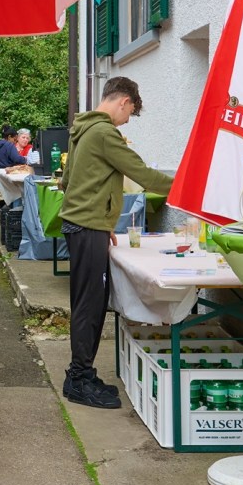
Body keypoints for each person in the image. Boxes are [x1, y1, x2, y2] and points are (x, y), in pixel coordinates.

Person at [59, 77, 173, 409]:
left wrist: (101, 217)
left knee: (87, 303)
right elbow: (143, 175)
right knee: (90, 307)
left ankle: (81, 374)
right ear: (123, 101)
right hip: (87, 228)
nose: (128, 120)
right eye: (131, 113)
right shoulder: (104, 133)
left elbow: (69, 181)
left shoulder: (81, 130)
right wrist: (191, 185)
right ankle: (78, 379)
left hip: (83, 225)